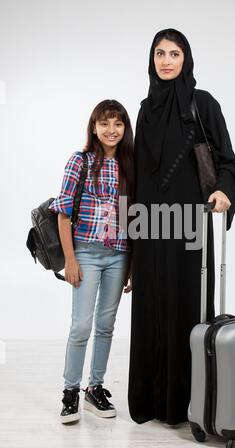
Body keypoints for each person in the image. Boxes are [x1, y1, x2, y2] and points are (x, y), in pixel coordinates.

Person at [128, 28, 235, 425]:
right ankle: (152, 404)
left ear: (186, 59)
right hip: (147, 227)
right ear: (151, 60)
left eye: (174, 53)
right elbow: (137, 175)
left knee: (187, 309)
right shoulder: (144, 111)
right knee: (150, 311)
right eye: (159, 53)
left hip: (189, 227)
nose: (166, 60)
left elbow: (227, 160)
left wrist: (225, 192)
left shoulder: (202, 104)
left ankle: (188, 404)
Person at [49, 99, 134, 424]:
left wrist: (132, 266)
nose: (111, 130)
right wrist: (70, 259)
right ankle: (70, 391)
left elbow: (134, 217)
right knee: (81, 325)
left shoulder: (130, 164)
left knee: (105, 325)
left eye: (118, 124)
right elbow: (63, 211)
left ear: (125, 129)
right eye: (105, 123)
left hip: (118, 255)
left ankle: (94, 388)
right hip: (85, 252)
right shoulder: (80, 161)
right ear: (94, 127)